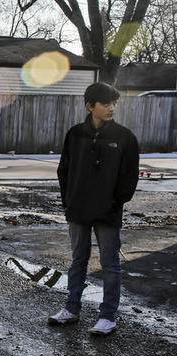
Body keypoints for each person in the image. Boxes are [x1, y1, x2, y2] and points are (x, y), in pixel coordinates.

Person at [49, 82, 139, 336]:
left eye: (114, 103)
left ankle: (108, 316)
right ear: (90, 106)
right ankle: (71, 309)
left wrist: (116, 202)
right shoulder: (75, 134)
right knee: (78, 260)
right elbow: (63, 169)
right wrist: (69, 201)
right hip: (78, 210)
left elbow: (129, 177)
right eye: (106, 103)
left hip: (108, 213)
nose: (112, 108)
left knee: (110, 264)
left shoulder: (125, 137)